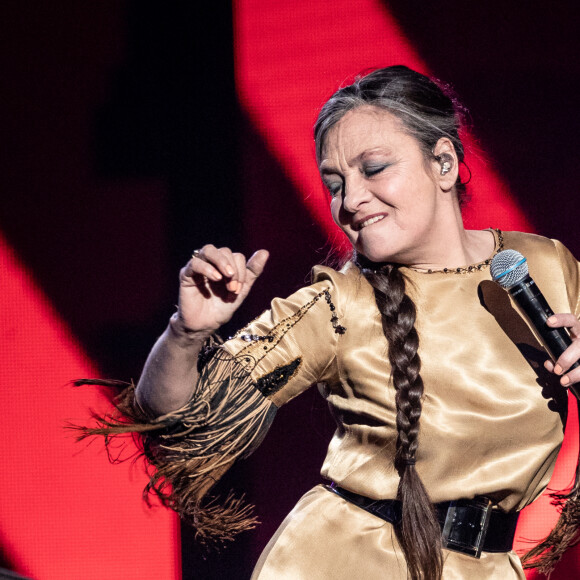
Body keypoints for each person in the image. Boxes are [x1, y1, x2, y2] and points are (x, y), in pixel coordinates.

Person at [83, 66, 580, 579]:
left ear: (445, 163)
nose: (351, 199)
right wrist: (186, 334)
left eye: (375, 168)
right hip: (346, 561)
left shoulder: (544, 266)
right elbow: (179, 422)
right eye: (335, 183)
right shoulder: (337, 304)